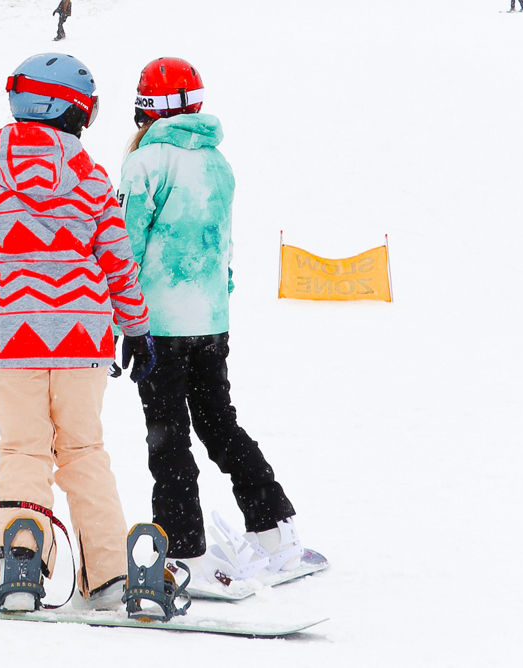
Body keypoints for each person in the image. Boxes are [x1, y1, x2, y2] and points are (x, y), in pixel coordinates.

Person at [0, 53, 154, 612]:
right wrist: (136, 329)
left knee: (23, 448)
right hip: (82, 340)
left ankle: (20, 562)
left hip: (9, 337)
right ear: (70, 108)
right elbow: (118, 260)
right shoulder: (89, 176)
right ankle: (112, 575)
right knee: (84, 450)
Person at [117, 57, 302, 590]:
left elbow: (124, 247)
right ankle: (274, 527)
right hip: (211, 319)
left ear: (145, 105)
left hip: (158, 325)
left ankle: (183, 551)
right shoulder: (218, 161)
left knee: (169, 437)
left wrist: (120, 321)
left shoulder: (147, 162)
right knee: (218, 423)